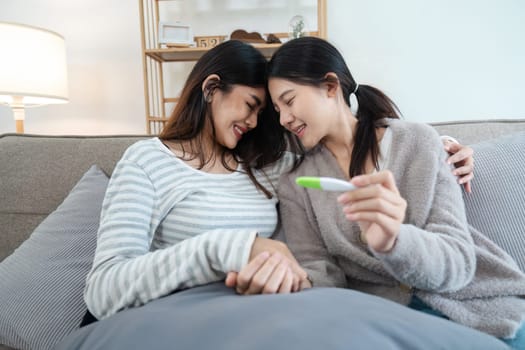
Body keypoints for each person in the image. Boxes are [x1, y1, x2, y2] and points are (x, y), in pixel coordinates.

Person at [83, 39, 475, 323]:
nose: (256, 122)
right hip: (176, 318)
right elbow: (103, 292)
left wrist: (445, 150)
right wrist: (228, 248)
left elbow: (347, 138)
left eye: (267, 111)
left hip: (261, 314)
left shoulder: (270, 166)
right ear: (211, 88)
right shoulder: (148, 161)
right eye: (253, 107)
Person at [233, 36, 523, 348]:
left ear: (330, 86)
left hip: (479, 309)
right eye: (277, 109)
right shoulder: (297, 185)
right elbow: (320, 272)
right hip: (389, 323)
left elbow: (458, 261)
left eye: (289, 101)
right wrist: (290, 281)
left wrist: (394, 240)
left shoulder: (419, 143)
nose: (284, 119)